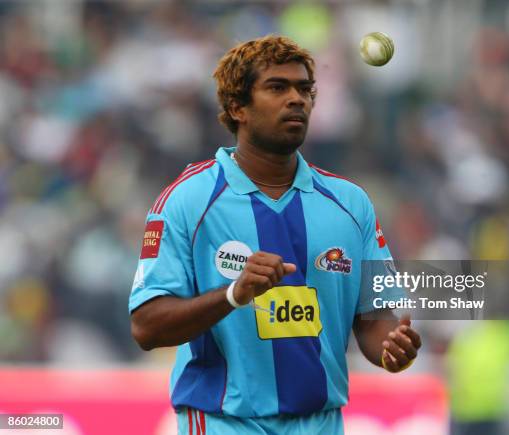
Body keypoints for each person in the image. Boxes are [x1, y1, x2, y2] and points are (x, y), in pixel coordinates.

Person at [129, 35, 421, 435]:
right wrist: (234, 294)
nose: (297, 99)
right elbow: (147, 327)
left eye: (304, 89)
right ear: (237, 108)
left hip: (320, 425)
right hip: (224, 424)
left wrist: (392, 350)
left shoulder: (351, 204)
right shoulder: (187, 200)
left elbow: (373, 319)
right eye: (277, 87)